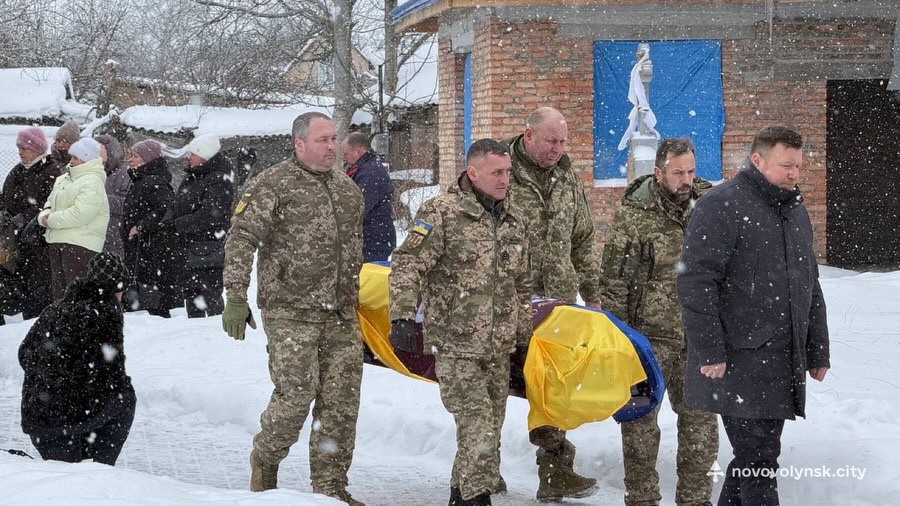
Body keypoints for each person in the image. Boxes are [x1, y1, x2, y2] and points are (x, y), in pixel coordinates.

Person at [677, 126, 831, 506]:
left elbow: (808, 283)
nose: (794, 174)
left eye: (798, 165)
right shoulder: (721, 206)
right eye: (785, 166)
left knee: (754, 458)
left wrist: (818, 348)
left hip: (780, 360)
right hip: (737, 360)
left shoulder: (793, 211)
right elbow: (696, 283)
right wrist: (710, 349)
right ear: (757, 160)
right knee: (759, 460)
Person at [222, 112, 366, 506]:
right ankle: (266, 458)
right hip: (290, 311)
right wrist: (236, 295)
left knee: (340, 403)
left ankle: (330, 487)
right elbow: (241, 237)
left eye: (334, 139)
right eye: (322, 140)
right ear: (298, 144)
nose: (331, 146)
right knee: (297, 395)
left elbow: (354, 251)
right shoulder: (273, 183)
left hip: (340, 313)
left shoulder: (347, 189)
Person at [389, 139, 532, 506]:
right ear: (473, 173)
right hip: (456, 344)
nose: (504, 180)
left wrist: (524, 335)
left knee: (487, 429)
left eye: (508, 172)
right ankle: (474, 498)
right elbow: (408, 264)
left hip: (498, 347)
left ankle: (460, 492)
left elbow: (521, 283)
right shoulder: (442, 212)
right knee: (478, 426)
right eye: (496, 172)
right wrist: (403, 314)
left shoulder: (514, 216)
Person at [599, 138, 717, 506]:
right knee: (640, 427)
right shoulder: (634, 216)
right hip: (648, 340)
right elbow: (614, 281)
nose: (686, 180)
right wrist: (621, 341)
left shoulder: (710, 208)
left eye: (691, 171)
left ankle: (695, 500)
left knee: (702, 428)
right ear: (659, 172)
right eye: (678, 172)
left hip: (699, 339)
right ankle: (642, 498)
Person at [503, 106, 601, 501]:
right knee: (491, 391)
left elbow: (583, 239)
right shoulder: (501, 173)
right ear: (529, 135)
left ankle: (555, 472)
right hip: (509, 303)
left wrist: (593, 293)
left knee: (552, 388)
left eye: (563, 141)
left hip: (557, 305)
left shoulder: (566, 178)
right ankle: (479, 472)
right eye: (551, 141)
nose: (559, 149)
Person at [18, 251, 136, 466]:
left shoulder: (56, 308)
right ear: (117, 288)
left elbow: (24, 354)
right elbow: (111, 374)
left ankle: (81, 451)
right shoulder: (107, 312)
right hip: (70, 422)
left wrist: (50, 380)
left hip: (39, 421)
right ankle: (101, 468)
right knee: (125, 399)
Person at [165, 133, 234, 318]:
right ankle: (195, 339)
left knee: (210, 296)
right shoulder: (193, 176)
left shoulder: (219, 180)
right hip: (189, 246)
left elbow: (211, 215)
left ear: (205, 155)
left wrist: (177, 224)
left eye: (193, 153)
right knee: (192, 295)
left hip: (209, 247)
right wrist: (169, 220)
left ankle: (215, 337)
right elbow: (178, 204)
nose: (189, 157)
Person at [38, 137, 110, 300]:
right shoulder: (62, 179)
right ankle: (63, 324)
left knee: (76, 295)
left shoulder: (92, 182)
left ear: (87, 159)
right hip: (57, 240)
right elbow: (49, 203)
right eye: (72, 157)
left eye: (76, 158)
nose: (71, 161)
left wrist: (49, 220)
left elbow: (80, 214)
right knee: (60, 294)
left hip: (80, 245)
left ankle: (79, 325)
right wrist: (43, 215)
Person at [0, 127, 56, 320]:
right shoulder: (17, 171)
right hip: (15, 239)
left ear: (38, 149)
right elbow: (5, 196)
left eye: (25, 147)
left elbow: (48, 204)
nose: (20, 152)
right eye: (19, 147)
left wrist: (23, 218)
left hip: (38, 242)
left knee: (37, 290)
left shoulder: (50, 171)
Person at [122, 139, 177, 317]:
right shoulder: (141, 179)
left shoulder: (154, 181)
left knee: (149, 294)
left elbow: (165, 208)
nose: (130, 160)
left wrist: (141, 226)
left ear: (148, 159)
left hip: (148, 248)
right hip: (139, 248)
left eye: (135, 156)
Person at [341, 131, 396, 262]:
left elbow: (359, 207)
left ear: (358, 151)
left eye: (346, 152)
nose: (343, 156)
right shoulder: (364, 168)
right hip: (370, 240)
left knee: (368, 280)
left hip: (373, 242)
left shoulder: (371, 173)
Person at [96, 134, 131, 258]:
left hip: (113, 236)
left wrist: (102, 199)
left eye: (101, 148)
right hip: (90, 235)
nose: (96, 152)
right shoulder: (89, 172)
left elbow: (127, 204)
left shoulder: (124, 174)